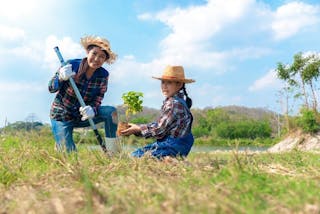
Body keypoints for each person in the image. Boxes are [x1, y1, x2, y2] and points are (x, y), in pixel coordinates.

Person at [48, 35, 118, 153]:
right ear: (87, 52)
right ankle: (62, 140)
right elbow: (51, 88)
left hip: (82, 115)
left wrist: (93, 110)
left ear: (105, 60)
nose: (96, 59)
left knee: (111, 112)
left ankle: (113, 153)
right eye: (94, 54)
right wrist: (60, 78)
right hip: (62, 115)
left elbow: (98, 99)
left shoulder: (103, 75)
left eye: (101, 57)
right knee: (69, 155)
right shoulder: (71, 65)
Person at [121, 65, 195, 160]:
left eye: (169, 83)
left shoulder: (173, 104)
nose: (164, 86)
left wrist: (139, 129)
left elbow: (160, 129)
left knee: (135, 156)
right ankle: (169, 158)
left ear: (179, 84)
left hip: (172, 146)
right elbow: (162, 125)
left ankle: (168, 158)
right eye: (163, 82)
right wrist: (138, 128)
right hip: (176, 145)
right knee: (140, 153)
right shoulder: (177, 101)